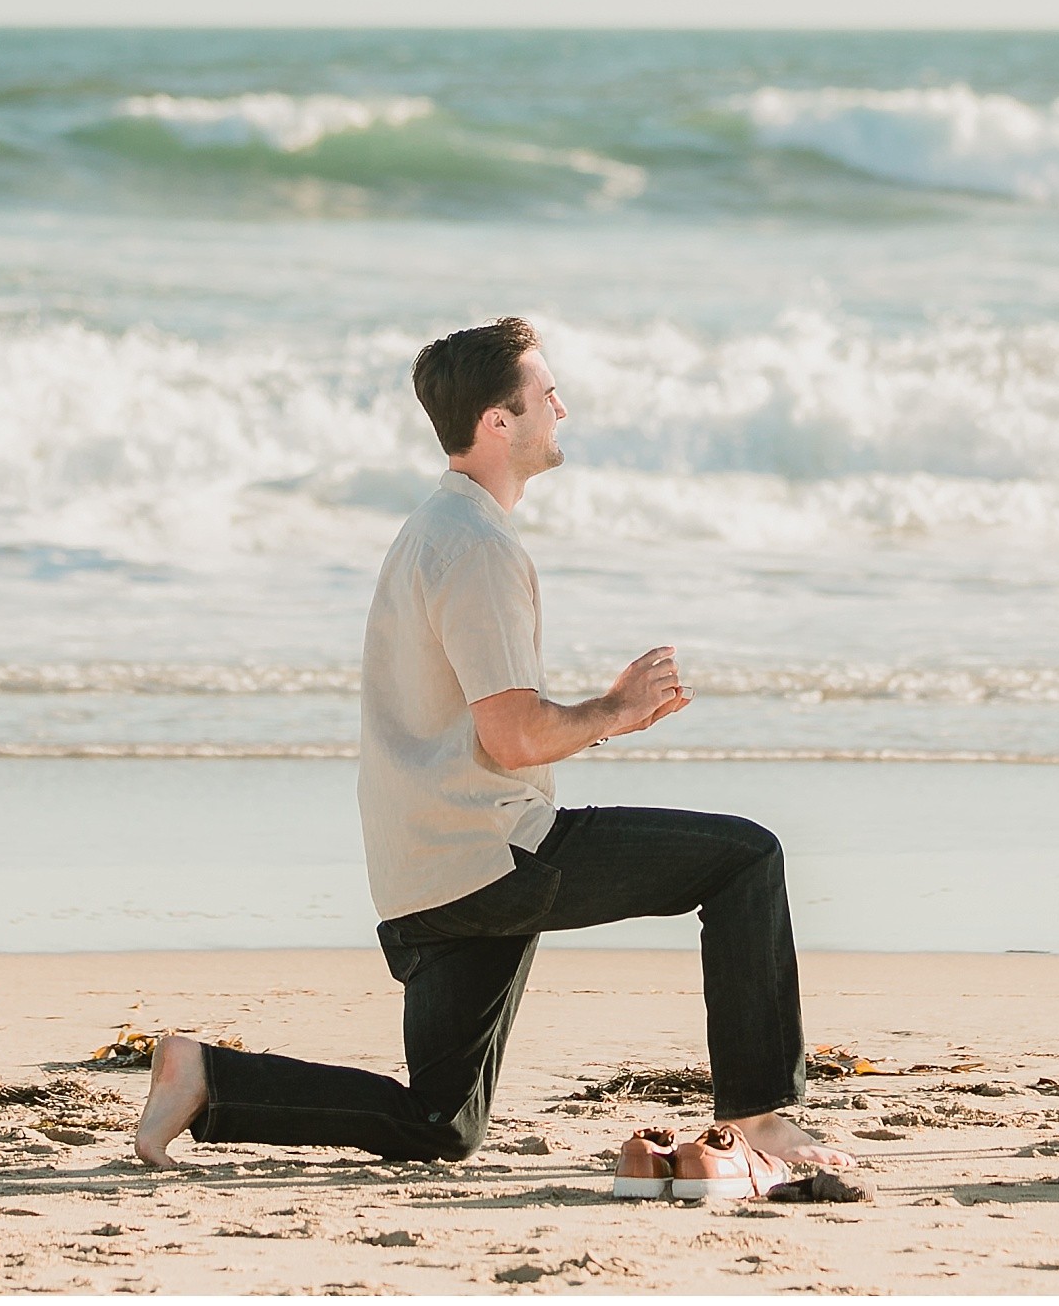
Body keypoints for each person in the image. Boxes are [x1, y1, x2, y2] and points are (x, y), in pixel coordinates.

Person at [134, 316, 853, 1176]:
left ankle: (206, 1079)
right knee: (745, 860)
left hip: (422, 875)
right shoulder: (476, 545)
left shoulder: (433, 530)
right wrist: (615, 710)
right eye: (546, 394)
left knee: (441, 1125)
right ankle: (761, 1116)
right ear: (497, 422)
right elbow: (511, 738)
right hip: (491, 857)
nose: (563, 406)